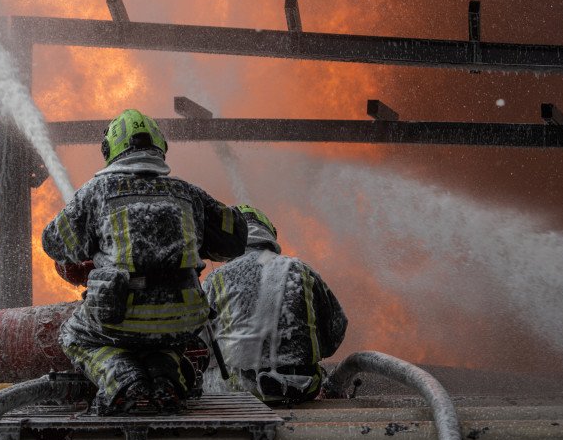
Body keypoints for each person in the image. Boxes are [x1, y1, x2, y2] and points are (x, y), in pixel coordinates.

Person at [43, 109, 248, 414]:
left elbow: (54, 243)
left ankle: (123, 379)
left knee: (73, 335)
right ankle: (167, 380)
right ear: (159, 147)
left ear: (110, 150)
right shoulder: (188, 193)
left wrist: (95, 248)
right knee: (165, 338)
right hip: (183, 316)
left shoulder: (96, 192)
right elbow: (235, 238)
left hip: (121, 315)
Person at [204, 205, 347, 404]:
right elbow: (336, 329)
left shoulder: (215, 280)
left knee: (205, 375)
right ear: (268, 233)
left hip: (241, 393)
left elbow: (200, 344)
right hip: (302, 386)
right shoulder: (301, 270)